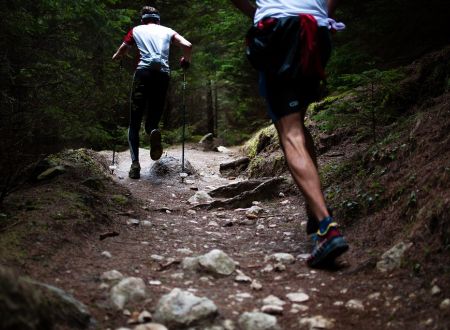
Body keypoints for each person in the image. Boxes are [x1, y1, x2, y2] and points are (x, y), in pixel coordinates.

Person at [230, 0, 348, 268]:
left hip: (277, 29)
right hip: (316, 30)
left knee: (290, 131)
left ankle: (326, 227)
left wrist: (258, 13)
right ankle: (315, 213)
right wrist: (324, 18)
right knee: (298, 123)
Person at [112, 6, 192, 179]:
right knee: (153, 119)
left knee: (134, 121)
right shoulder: (167, 31)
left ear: (143, 20)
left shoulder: (136, 30)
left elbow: (122, 50)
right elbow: (187, 45)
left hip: (143, 74)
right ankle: (152, 131)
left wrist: (117, 57)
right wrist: (185, 61)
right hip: (162, 75)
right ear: (158, 20)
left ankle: (135, 165)